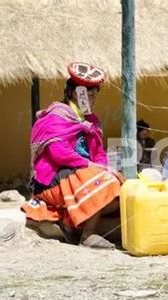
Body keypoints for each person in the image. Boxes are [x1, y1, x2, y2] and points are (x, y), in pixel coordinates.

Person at [21, 62, 123, 249]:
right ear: (77, 93)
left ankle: (69, 223)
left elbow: (99, 153)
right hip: (54, 177)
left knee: (119, 189)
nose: (93, 99)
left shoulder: (90, 121)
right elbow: (59, 154)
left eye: (95, 94)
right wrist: (92, 166)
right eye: (89, 94)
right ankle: (87, 236)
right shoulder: (55, 117)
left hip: (82, 173)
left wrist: (104, 167)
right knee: (104, 182)